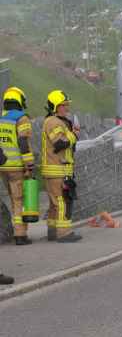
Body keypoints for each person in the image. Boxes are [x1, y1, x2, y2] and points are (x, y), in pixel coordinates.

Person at [41, 90, 81, 242]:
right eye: (64, 105)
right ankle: (64, 233)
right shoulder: (53, 122)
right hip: (57, 169)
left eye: (67, 105)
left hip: (58, 169)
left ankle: (52, 232)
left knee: (53, 204)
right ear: (56, 106)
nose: (67, 108)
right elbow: (59, 144)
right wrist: (74, 135)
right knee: (62, 202)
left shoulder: (55, 121)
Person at [0, 87, 34, 245]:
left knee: (12, 199)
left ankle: (14, 231)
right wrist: (29, 164)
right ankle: (20, 235)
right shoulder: (21, 119)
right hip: (16, 167)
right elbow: (23, 143)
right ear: (20, 101)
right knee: (19, 199)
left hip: (3, 166)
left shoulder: (1, 118)